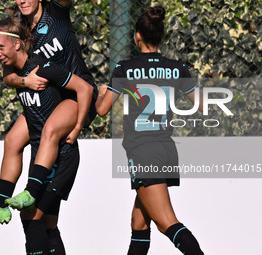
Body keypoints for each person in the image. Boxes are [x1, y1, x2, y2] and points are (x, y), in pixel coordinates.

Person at [0, 0, 96, 224]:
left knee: (50, 130)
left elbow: (82, 88)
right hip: (50, 101)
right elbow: (8, 75)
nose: (23, 0)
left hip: (76, 96)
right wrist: (24, 81)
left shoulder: (56, 12)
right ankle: (0, 205)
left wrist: (79, 125)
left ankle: (30, 191)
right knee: (12, 140)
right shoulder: (19, 31)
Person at [96, 6, 204, 255]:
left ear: (137, 36)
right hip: (165, 149)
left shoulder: (125, 69)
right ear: (162, 37)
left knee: (167, 222)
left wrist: (101, 92)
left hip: (143, 151)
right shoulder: (177, 68)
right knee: (140, 222)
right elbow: (199, 103)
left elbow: (102, 110)